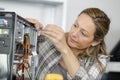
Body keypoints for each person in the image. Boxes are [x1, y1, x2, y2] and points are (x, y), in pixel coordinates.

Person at [27, 7, 110, 80]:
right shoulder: (51, 39)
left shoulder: (99, 61)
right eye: (75, 25)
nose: (74, 34)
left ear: (96, 41)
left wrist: (65, 49)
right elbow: (19, 47)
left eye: (83, 33)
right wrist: (29, 28)